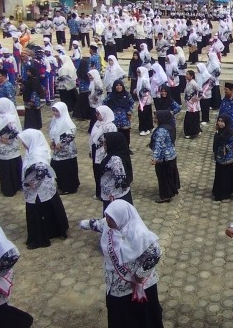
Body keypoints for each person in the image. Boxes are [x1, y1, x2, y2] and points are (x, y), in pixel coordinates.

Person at [78, 200, 165, 328]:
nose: (107, 219)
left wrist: (140, 274)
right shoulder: (109, 225)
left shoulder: (139, 233)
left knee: (143, 318)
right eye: (107, 215)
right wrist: (85, 224)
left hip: (140, 286)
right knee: (120, 316)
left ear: (121, 217)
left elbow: (155, 254)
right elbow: (98, 224)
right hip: (116, 284)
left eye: (110, 217)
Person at [18, 129, 70, 249]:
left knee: (38, 212)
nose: (23, 144)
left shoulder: (36, 154)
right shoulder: (35, 150)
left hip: (38, 190)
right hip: (44, 188)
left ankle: (40, 239)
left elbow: (41, 170)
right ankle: (54, 230)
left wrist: (31, 184)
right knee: (49, 209)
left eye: (24, 141)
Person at [0, 98, 23, 197]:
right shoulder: (0, 116)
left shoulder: (9, 118)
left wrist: (8, 140)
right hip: (1, 149)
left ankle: (10, 189)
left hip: (7, 149)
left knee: (8, 168)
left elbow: (15, 131)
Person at [48, 102, 80, 194]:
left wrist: (61, 143)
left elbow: (71, 135)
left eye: (57, 111)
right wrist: (53, 141)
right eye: (53, 111)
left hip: (67, 151)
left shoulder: (67, 122)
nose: (55, 113)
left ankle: (69, 188)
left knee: (67, 169)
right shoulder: (54, 120)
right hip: (57, 151)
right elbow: (53, 133)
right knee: (56, 167)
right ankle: (61, 185)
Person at [150, 110, 181, 203]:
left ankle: (166, 195)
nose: (154, 119)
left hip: (163, 158)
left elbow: (158, 146)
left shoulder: (161, 131)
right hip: (171, 155)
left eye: (156, 118)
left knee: (163, 177)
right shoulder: (170, 126)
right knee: (170, 174)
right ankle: (173, 189)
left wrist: (155, 158)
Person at [99, 132, 134, 210]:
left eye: (106, 142)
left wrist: (112, 195)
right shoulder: (113, 153)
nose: (104, 145)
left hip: (115, 197)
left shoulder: (115, 159)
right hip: (114, 195)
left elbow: (120, 179)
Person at [212, 114, 233, 201]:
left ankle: (226, 194)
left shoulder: (229, 132)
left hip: (227, 159)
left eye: (222, 121)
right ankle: (218, 192)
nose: (220, 123)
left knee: (226, 177)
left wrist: (227, 147)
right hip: (219, 158)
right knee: (219, 175)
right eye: (219, 121)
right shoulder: (219, 131)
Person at [22, 65, 45, 130]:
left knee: (33, 113)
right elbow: (27, 84)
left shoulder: (35, 79)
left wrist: (32, 100)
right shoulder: (30, 78)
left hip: (32, 100)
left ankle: (33, 125)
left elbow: (34, 91)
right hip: (28, 99)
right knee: (29, 113)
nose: (27, 73)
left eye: (29, 72)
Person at [182, 70, 202, 139]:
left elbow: (200, 90)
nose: (186, 75)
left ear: (191, 76)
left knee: (190, 118)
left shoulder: (193, 83)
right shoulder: (188, 82)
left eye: (187, 74)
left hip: (193, 104)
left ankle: (191, 132)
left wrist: (197, 98)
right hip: (189, 103)